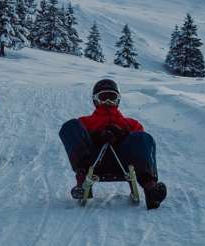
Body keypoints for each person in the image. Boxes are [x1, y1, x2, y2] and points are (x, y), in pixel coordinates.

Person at [60, 77, 167, 208]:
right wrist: (95, 136)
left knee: (143, 137)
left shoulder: (131, 123)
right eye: (104, 97)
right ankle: (82, 182)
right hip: (92, 161)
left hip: (124, 161)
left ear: (118, 100)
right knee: (70, 126)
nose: (108, 102)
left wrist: (124, 135)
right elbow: (77, 136)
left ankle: (151, 189)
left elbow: (141, 145)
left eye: (112, 97)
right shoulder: (84, 122)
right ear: (96, 100)